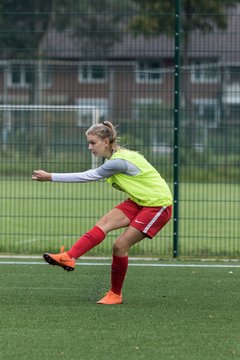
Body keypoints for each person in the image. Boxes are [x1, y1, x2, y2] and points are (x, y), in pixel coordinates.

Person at [32, 121, 172, 305]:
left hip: (157, 205)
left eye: (93, 143)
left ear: (106, 141)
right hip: (140, 201)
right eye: (88, 143)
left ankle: (115, 294)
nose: (90, 147)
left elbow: (88, 176)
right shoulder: (115, 158)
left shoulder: (118, 162)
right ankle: (69, 257)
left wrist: (50, 177)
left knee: (119, 245)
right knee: (103, 224)